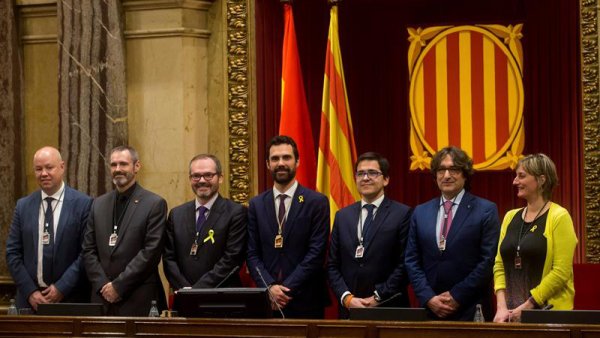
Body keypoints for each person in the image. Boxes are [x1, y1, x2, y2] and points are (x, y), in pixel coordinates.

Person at [405, 146, 500, 320]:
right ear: (435, 175)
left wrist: (456, 296)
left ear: (465, 174)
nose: (447, 175)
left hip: (470, 307)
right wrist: (429, 297)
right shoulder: (420, 212)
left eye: (454, 169)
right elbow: (411, 260)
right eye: (441, 170)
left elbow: (488, 261)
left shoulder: (486, 210)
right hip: (429, 309)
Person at [246, 135, 330, 318]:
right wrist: (269, 287)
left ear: (297, 161)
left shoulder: (316, 202)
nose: (281, 163)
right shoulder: (256, 204)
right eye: (275, 159)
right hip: (267, 300)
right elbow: (252, 254)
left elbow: (316, 254)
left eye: (286, 157)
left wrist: (285, 290)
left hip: (306, 300)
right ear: (267, 164)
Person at [82, 146, 167, 316]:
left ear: (137, 167)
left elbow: (150, 253)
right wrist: (102, 284)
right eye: (113, 165)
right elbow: (88, 249)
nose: (118, 169)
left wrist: (119, 286)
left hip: (137, 298)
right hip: (101, 297)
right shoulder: (98, 204)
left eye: (123, 164)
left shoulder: (154, 204)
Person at [493, 154, 577, 323]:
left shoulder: (559, 216)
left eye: (521, 176)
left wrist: (527, 306)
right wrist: (501, 307)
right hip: (510, 316)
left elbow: (561, 272)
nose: (515, 181)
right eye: (516, 176)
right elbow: (499, 265)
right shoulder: (510, 217)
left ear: (541, 180)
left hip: (548, 316)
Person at [6, 146, 93, 311]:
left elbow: (86, 252)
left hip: (70, 299)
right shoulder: (23, 206)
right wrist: (30, 292)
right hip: (29, 302)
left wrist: (61, 287)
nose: (43, 173)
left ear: (62, 166)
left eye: (49, 167)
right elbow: (12, 253)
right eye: (38, 169)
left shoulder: (83, 204)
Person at [327, 152, 412, 318]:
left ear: (386, 179)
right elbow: (332, 265)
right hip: (350, 310)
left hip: (389, 308)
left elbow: (405, 264)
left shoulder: (402, 214)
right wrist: (347, 298)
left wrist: (378, 296)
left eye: (373, 173)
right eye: (360, 173)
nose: (366, 178)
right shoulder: (342, 216)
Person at [163, 154, 247, 289]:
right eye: (196, 176)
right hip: (184, 298)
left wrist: (197, 291)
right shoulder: (176, 214)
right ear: (190, 179)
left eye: (208, 175)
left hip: (221, 299)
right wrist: (184, 289)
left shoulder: (236, 213)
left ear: (220, 178)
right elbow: (169, 259)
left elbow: (232, 259)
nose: (201, 180)